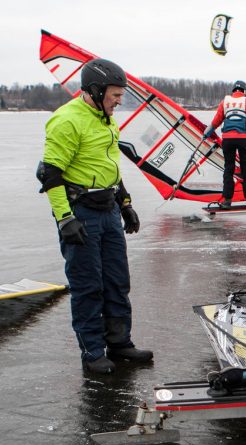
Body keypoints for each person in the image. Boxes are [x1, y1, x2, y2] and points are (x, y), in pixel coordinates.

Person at [37, 58, 153, 374]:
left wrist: (125, 203)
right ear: (95, 90)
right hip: (81, 212)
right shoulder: (67, 120)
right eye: (115, 95)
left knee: (117, 281)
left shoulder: (106, 120)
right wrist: (65, 219)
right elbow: (51, 175)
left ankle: (120, 343)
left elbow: (109, 168)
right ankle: (92, 352)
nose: (119, 101)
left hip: (108, 210)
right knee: (89, 286)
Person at [203, 80, 246, 208]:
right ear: (245, 91)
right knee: (245, 167)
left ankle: (227, 200)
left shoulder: (225, 102)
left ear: (233, 91)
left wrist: (206, 134)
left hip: (227, 140)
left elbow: (215, 122)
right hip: (244, 139)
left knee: (229, 168)